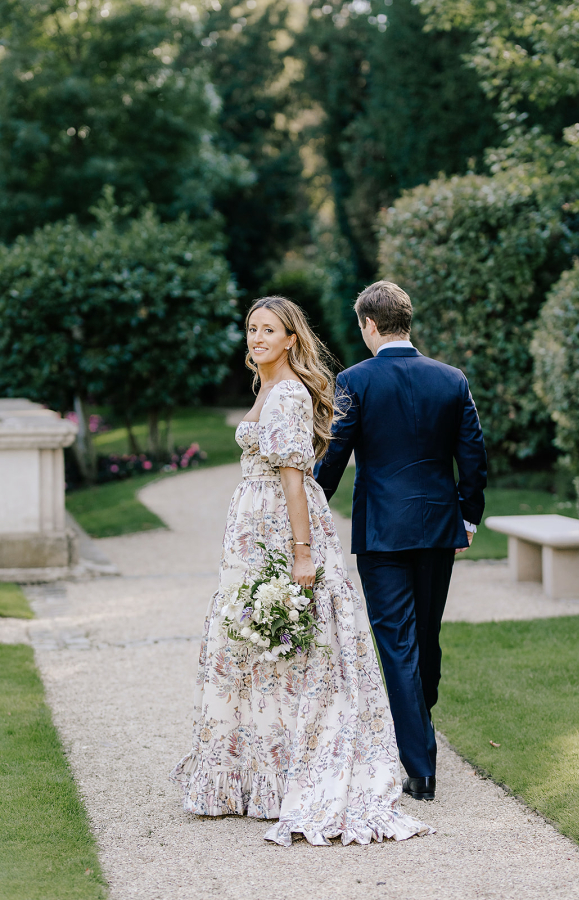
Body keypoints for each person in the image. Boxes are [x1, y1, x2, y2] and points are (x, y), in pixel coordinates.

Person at [170, 296, 433, 846]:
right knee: (255, 645)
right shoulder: (265, 386)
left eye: (268, 330)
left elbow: (294, 475)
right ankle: (260, 776)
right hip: (251, 526)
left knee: (295, 644)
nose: (256, 338)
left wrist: (302, 551)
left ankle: (293, 770)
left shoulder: (288, 392)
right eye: (251, 328)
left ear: (292, 339)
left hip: (279, 526)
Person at [315, 281, 487, 802]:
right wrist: (469, 518)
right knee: (424, 637)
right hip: (438, 527)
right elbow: (473, 455)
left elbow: (334, 457)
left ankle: (420, 766)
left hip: (383, 534)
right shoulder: (451, 379)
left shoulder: (353, 381)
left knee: (400, 643)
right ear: (405, 321)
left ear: (369, 324)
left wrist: (308, 508)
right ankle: (420, 748)